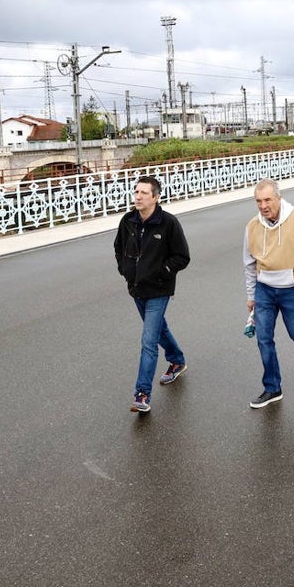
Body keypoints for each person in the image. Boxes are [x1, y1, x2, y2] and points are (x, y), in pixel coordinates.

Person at [242, 178, 294, 409]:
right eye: (258, 201)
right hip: (264, 290)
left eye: (268, 199)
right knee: (263, 338)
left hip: (292, 290)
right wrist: (251, 295)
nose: (263, 205)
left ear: (278, 198)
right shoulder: (252, 227)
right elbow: (249, 265)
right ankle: (272, 388)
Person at [114, 175, 190, 413]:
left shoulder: (168, 223)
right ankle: (177, 360)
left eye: (143, 193)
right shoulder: (128, 221)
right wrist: (125, 269)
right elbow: (119, 247)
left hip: (158, 289)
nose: (137, 196)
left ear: (156, 197)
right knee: (159, 329)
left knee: (149, 341)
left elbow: (182, 256)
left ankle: (142, 393)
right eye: (136, 192)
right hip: (136, 288)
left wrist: (163, 272)